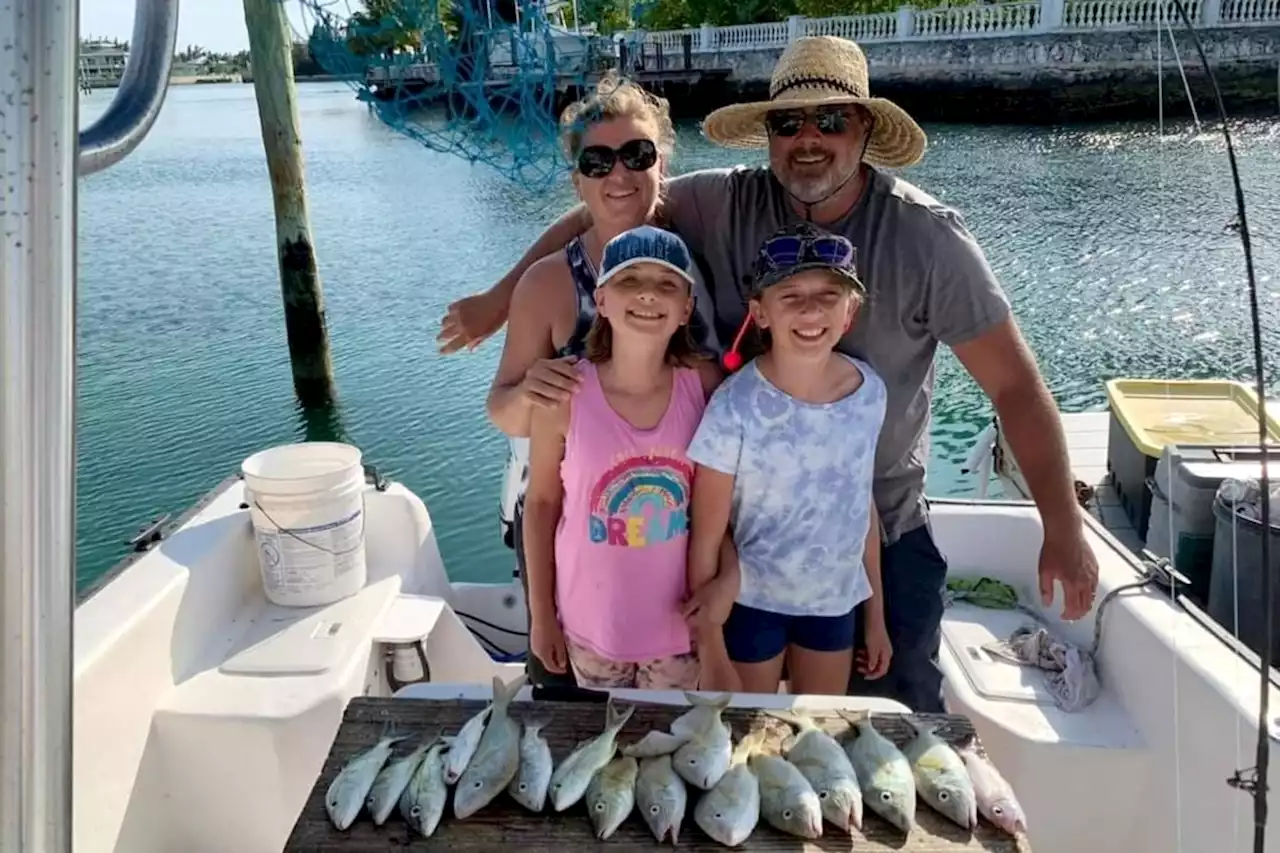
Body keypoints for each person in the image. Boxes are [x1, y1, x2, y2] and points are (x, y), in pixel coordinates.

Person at [440, 35, 1099, 713]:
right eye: (789, 123)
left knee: (894, 724)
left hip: (873, 529)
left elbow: (1015, 388)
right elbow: (610, 207)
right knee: (729, 724)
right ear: (768, 136)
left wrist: (1063, 526)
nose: (808, 139)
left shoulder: (928, 239)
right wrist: (502, 297)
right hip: (744, 532)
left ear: (865, 128)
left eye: (831, 120)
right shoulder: (725, 202)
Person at [484, 72, 718, 687]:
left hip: (673, 540)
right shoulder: (546, 284)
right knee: (565, 704)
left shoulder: (688, 259)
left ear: (661, 163)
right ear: (579, 179)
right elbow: (502, 410)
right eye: (598, 160)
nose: (619, 174)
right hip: (562, 515)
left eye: (637, 155)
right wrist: (531, 394)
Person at [684, 223, 892, 696]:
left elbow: (863, 508)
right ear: (760, 313)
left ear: (849, 313)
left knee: (815, 735)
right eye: (790, 295)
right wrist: (710, 638)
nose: (811, 309)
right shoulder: (733, 406)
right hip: (751, 604)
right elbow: (708, 531)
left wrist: (875, 615)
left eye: (829, 294)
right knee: (748, 739)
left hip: (835, 603)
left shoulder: (870, 393)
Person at [521, 225, 722, 689]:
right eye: (630, 280)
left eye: (667, 284)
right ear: (603, 299)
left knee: (667, 747)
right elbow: (542, 505)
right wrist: (541, 616)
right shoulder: (564, 392)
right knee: (609, 741)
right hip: (591, 627)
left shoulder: (705, 386)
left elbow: (718, 505)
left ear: (686, 307)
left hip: (680, 630)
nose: (649, 294)